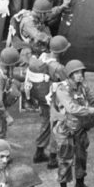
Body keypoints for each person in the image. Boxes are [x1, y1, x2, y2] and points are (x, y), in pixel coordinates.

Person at [52, 59, 94, 187]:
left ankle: (80, 184)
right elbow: (72, 108)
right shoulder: (62, 88)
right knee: (65, 160)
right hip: (65, 129)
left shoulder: (83, 86)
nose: (80, 75)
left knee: (81, 157)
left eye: (81, 72)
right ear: (70, 74)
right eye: (76, 73)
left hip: (80, 128)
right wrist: (93, 110)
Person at [27, 35, 70, 166]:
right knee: (57, 126)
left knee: (46, 122)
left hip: (42, 98)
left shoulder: (42, 58)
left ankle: (39, 152)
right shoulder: (58, 68)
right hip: (54, 100)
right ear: (62, 51)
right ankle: (53, 158)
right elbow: (67, 86)